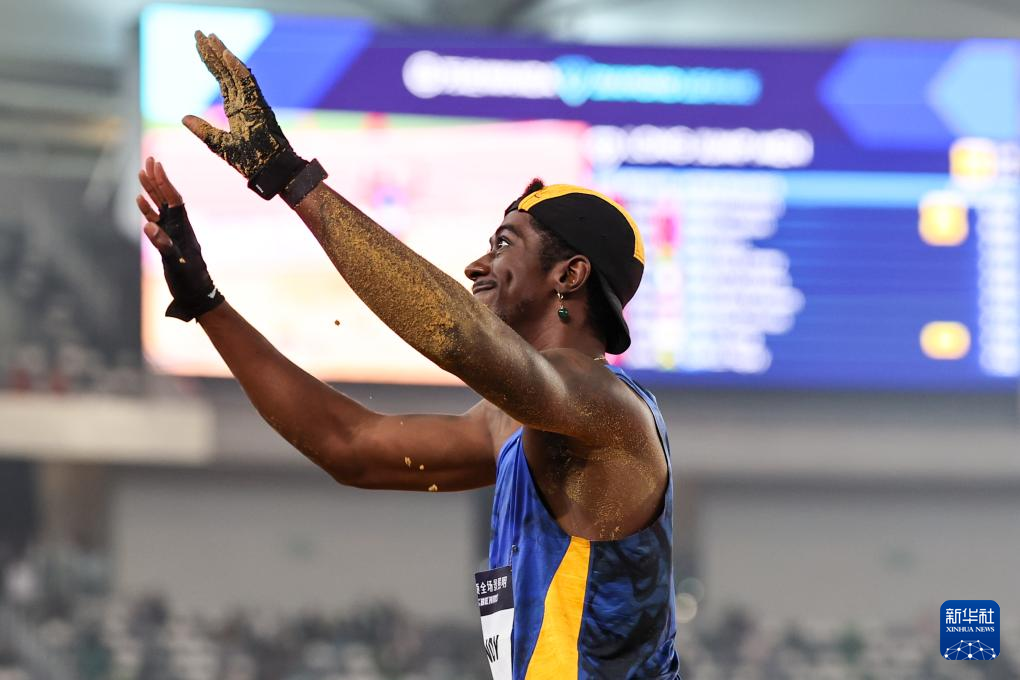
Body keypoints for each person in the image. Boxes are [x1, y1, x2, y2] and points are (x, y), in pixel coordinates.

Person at [135, 30, 681, 679]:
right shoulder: (514, 423)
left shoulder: (604, 409)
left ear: (570, 275)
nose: (477, 264)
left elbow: (454, 335)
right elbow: (350, 447)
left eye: (505, 243)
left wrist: (289, 177)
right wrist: (206, 302)